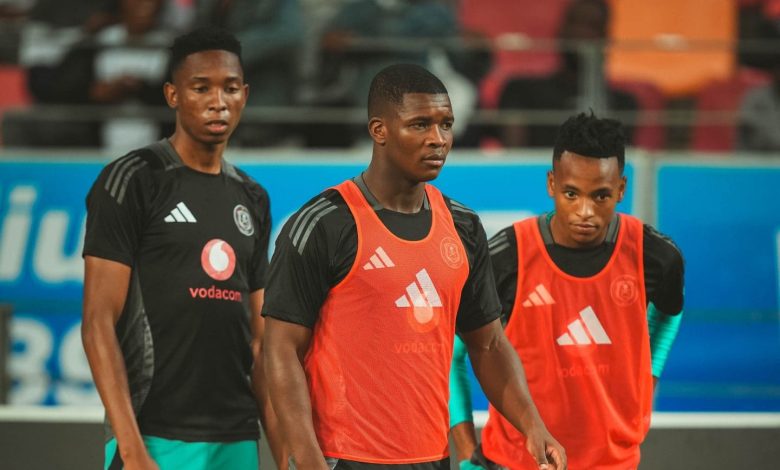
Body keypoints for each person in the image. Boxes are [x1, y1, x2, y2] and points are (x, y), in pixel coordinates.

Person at [262, 63, 567, 470]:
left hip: (433, 458)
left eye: (446, 124)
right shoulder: (325, 223)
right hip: (344, 459)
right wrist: (306, 457)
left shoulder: (463, 226)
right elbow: (280, 349)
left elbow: (489, 344)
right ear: (379, 130)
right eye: (420, 125)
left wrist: (532, 425)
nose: (438, 140)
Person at [81, 27, 284, 469]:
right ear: (173, 95)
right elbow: (98, 322)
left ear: (245, 95)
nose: (218, 101)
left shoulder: (253, 197)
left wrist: (286, 452)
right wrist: (130, 448)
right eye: (201, 88)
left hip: (236, 438)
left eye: (230, 88)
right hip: (154, 437)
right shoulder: (133, 180)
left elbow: (261, 345)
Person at [449, 112, 685, 470]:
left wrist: (643, 388)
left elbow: (667, 319)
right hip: (513, 462)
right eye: (571, 194)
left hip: (614, 463)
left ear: (621, 189)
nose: (585, 212)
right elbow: (453, 357)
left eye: (601, 196)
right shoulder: (505, 258)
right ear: (551, 184)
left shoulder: (657, 257)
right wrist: (467, 453)